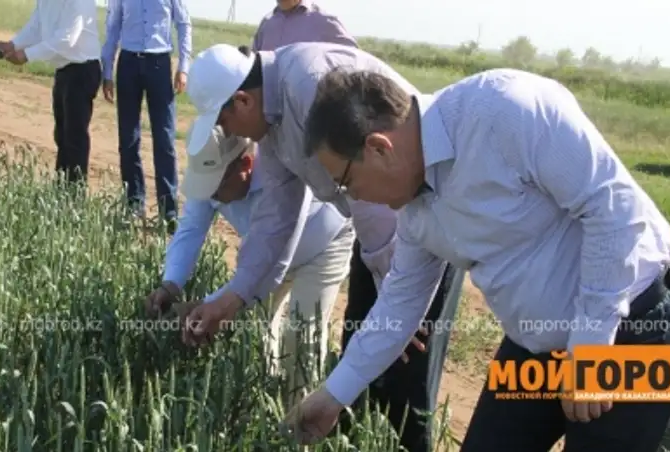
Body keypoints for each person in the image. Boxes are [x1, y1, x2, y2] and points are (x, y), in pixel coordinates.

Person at [284, 67, 670, 452]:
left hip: (633, 326)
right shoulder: (414, 211)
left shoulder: (504, 111)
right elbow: (401, 301)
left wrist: (588, 348)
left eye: (346, 181)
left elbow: (615, 208)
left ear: (379, 147)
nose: (351, 197)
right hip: (537, 342)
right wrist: (333, 395)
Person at [178, 42, 459, 452]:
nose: (231, 134)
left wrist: (398, 299)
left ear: (242, 99)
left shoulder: (311, 85)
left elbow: (373, 191)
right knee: (359, 363)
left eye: (226, 121)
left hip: (424, 227)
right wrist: (234, 297)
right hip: (380, 237)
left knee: (404, 383)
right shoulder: (273, 125)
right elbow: (276, 220)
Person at [145, 125, 355, 409]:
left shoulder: (280, 177)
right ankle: (267, 412)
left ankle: (301, 424)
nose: (213, 197)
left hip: (324, 242)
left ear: (246, 163)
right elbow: (191, 227)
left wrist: (212, 302)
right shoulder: (213, 174)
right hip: (264, 253)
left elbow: (276, 256)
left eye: (217, 188)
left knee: (302, 338)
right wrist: (171, 283)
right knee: (257, 333)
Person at [101, 0, 192, 227]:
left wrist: (183, 67)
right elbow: (112, 26)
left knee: (164, 139)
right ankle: (134, 204)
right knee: (128, 138)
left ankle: (168, 211)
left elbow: (183, 23)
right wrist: (107, 71)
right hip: (129, 63)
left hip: (159, 63)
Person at [0, 0, 101, 186]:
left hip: (83, 70)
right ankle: (61, 192)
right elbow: (37, 25)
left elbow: (67, 39)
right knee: (62, 135)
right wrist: (13, 44)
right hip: (64, 70)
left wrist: (27, 55)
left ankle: (74, 195)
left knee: (74, 136)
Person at [251, 0, 357, 51]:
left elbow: (353, 57)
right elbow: (254, 63)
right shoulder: (267, 23)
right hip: (270, 93)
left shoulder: (324, 21)